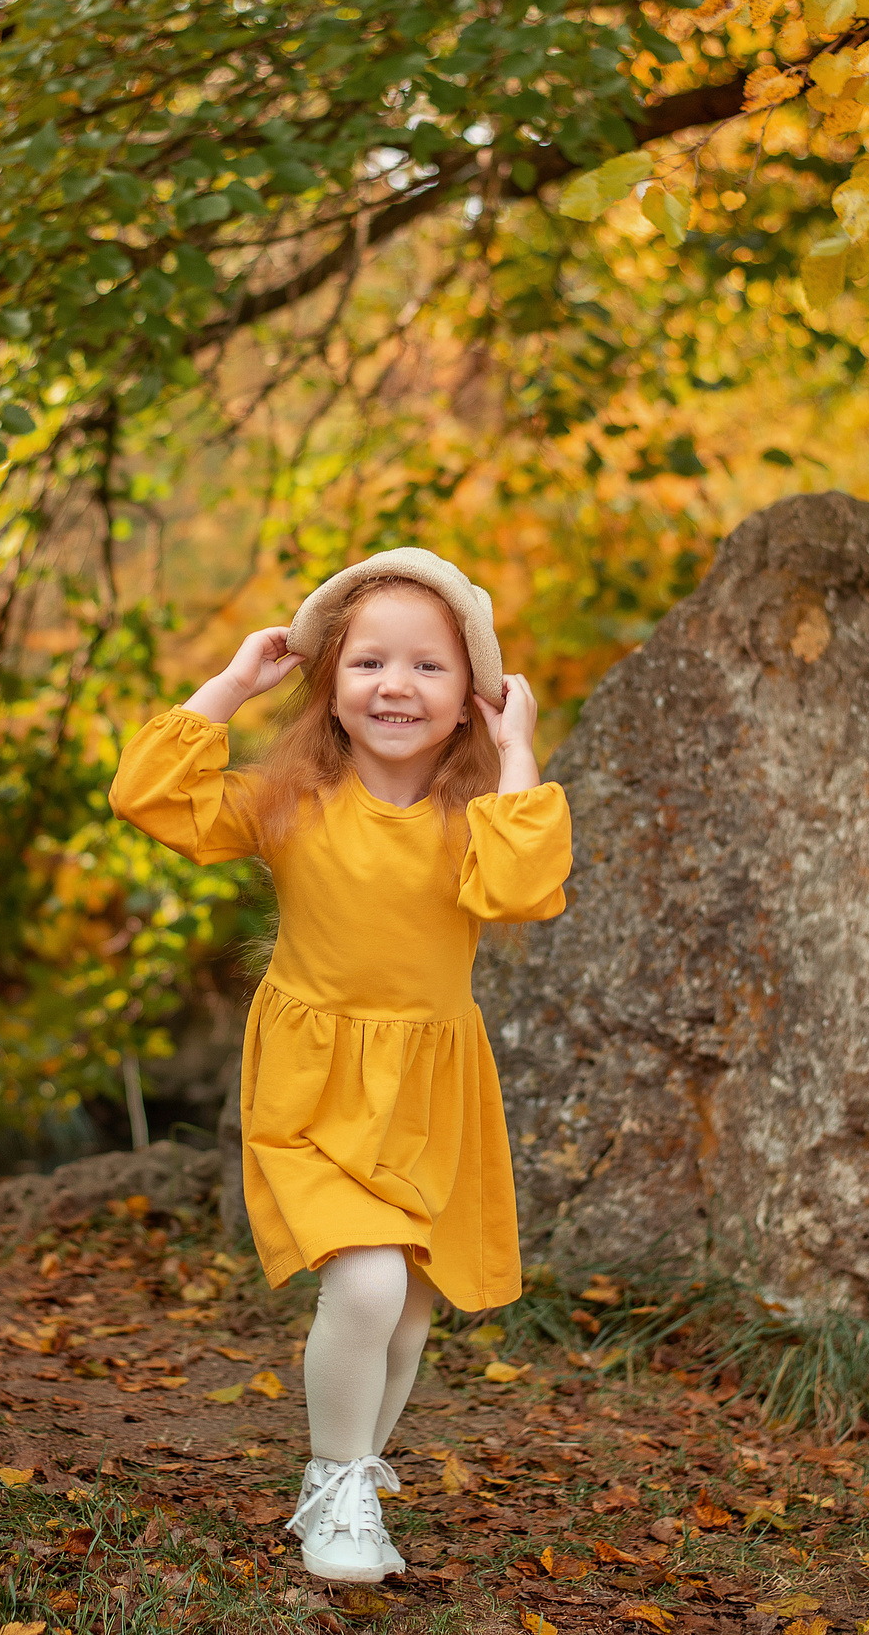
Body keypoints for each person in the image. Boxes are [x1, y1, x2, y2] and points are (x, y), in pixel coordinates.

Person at [108, 547, 571, 1583]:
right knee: (363, 1288)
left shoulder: (473, 815)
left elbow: (526, 886)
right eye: (366, 662)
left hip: (429, 1088)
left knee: (407, 1307)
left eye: (428, 667)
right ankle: (334, 1485)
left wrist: (520, 747)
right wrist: (232, 683)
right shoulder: (290, 798)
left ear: (469, 700)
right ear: (328, 685)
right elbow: (147, 792)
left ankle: (360, 1450)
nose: (394, 685)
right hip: (313, 1087)